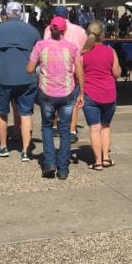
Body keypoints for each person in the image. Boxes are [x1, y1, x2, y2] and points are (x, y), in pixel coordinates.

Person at [0, 2, 40, 159]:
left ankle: (3, 146)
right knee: (26, 113)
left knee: (1, 112)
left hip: (5, 79)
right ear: (20, 13)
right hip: (27, 78)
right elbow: (40, 54)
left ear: (6, 14)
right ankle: (26, 151)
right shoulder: (32, 30)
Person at [27, 16, 84, 179]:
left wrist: (40, 67)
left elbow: (29, 69)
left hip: (46, 92)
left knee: (47, 126)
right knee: (65, 130)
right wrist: (82, 93)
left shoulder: (40, 46)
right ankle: (63, 169)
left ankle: (50, 163)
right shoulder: (72, 47)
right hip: (67, 92)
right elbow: (79, 72)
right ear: (64, 30)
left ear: (50, 29)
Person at [81, 20, 121, 170]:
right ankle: (106, 158)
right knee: (105, 127)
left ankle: (97, 162)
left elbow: (78, 75)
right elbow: (116, 74)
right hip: (109, 94)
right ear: (103, 35)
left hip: (90, 94)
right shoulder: (111, 52)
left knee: (94, 128)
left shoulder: (83, 53)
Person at [44, 6, 87, 144]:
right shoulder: (80, 30)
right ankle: (72, 130)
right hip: (74, 68)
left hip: (55, 69)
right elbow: (85, 49)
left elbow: (46, 46)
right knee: (72, 101)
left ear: (54, 16)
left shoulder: (49, 29)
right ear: (68, 15)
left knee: (54, 97)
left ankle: (55, 125)